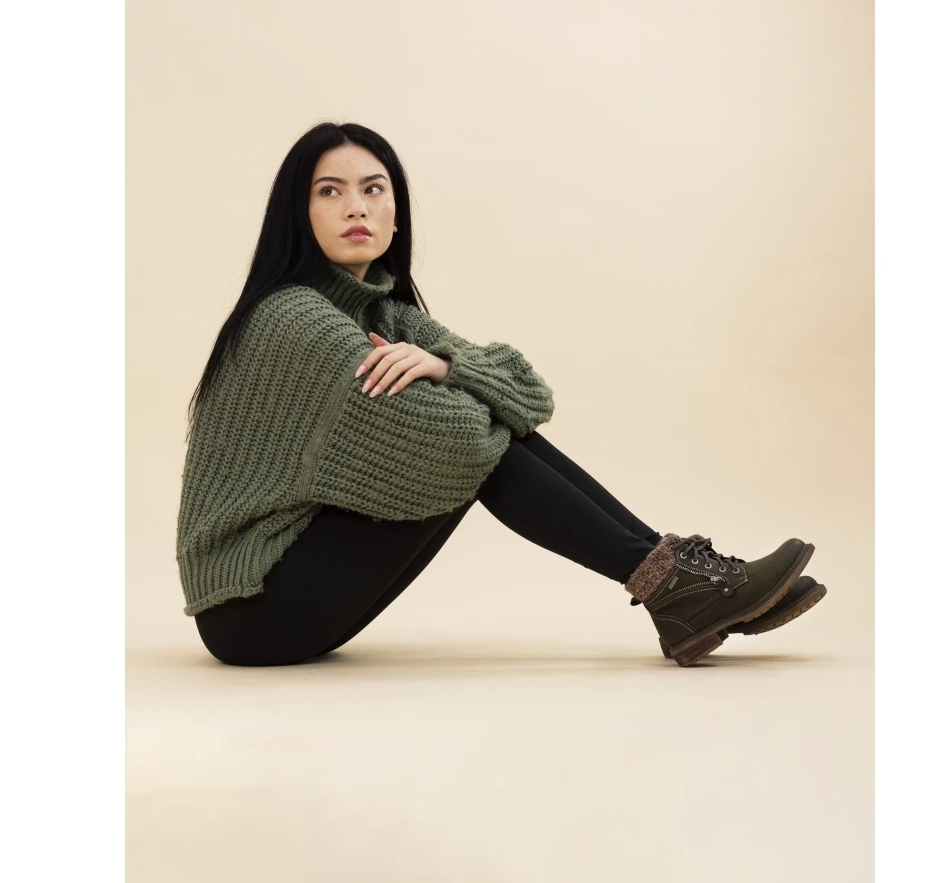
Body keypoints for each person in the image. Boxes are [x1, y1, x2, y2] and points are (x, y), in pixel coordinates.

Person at [176, 121, 826, 669]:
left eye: (374, 189)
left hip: (300, 589)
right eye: (330, 191)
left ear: (397, 213)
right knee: (474, 446)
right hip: (252, 608)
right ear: (299, 214)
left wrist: (444, 364)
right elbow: (465, 439)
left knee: (485, 433)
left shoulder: (388, 316)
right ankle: (677, 585)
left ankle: (680, 584)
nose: (356, 208)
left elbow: (530, 396)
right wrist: (464, 387)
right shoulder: (293, 318)